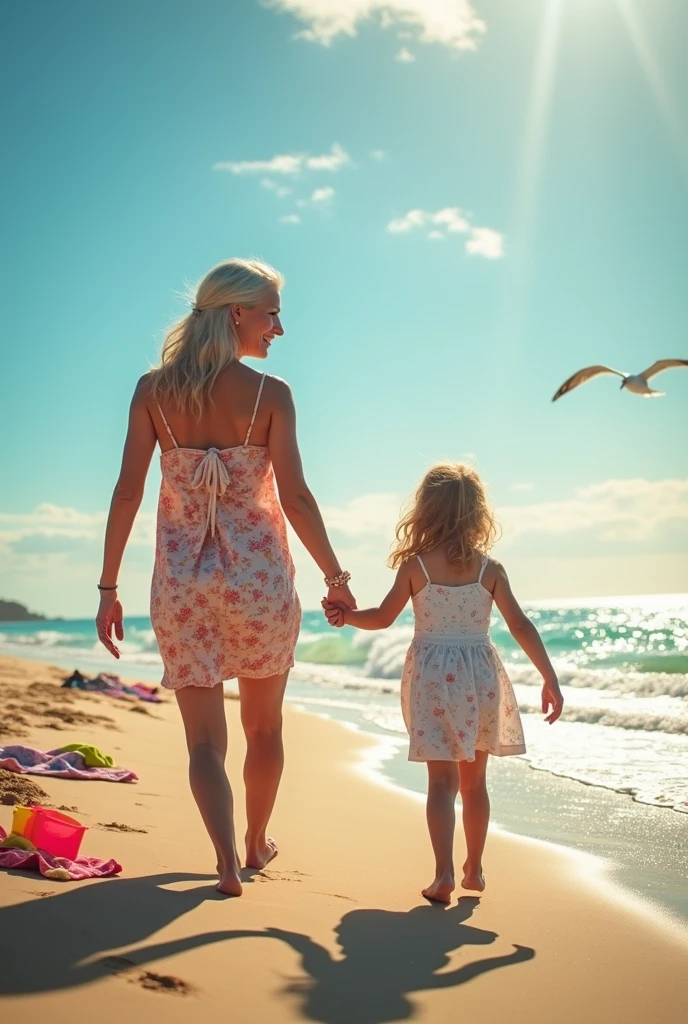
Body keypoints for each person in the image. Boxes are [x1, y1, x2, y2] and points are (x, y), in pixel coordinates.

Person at [96, 257, 356, 895]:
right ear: (236, 312)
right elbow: (296, 498)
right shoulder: (271, 396)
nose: (279, 328)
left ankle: (220, 863)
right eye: (271, 313)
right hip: (261, 585)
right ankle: (256, 844)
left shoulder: (152, 392)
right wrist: (335, 576)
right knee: (264, 728)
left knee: (203, 741)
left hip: (183, 588)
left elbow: (127, 493)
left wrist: (108, 588)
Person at [323, 463, 563, 903]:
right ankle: (475, 868)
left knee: (441, 784)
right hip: (480, 676)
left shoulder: (417, 567)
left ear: (426, 511)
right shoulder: (491, 569)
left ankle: (443, 875)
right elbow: (521, 625)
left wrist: (346, 617)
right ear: (477, 514)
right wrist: (549, 678)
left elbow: (381, 618)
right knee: (475, 783)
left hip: (434, 679)